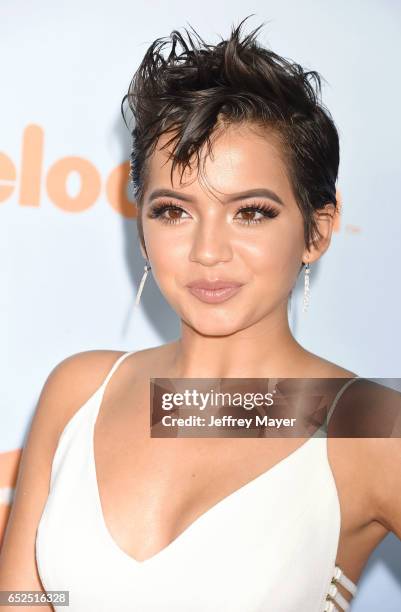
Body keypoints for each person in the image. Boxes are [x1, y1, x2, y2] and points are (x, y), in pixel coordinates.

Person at [1, 15, 400, 612]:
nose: (208, 252)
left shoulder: (369, 427)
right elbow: (29, 598)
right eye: (173, 211)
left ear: (317, 230)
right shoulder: (80, 390)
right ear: (142, 228)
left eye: (252, 212)